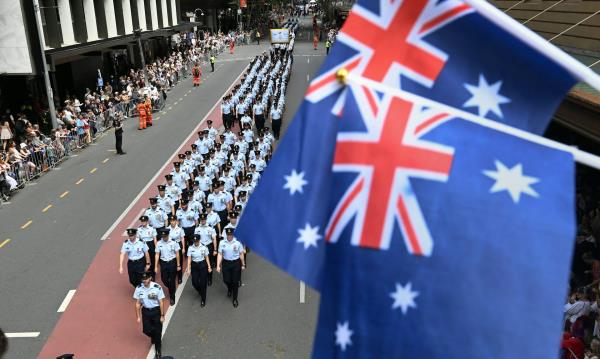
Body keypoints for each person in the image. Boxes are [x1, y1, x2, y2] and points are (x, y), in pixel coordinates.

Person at [133, 272, 165, 359]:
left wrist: (162, 315)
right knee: (146, 330)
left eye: (146, 279)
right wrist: (138, 316)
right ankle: (154, 336)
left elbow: (161, 302)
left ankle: (158, 350)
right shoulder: (139, 288)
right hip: (146, 311)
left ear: (150, 278)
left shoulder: (157, 287)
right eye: (143, 280)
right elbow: (137, 303)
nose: (145, 281)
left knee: (158, 332)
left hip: (156, 311)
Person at [217, 227, 245, 307]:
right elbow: (220, 254)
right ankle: (230, 288)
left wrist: (243, 264)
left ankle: (235, 299)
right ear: (226, 234)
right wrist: (218, 265)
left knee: (235, 282)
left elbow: (241, 254)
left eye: (231, 234)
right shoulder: (222, 243)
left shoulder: (237, 243)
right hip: (226, 263)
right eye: (228, 234)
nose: (229, 236)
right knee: (226, 280)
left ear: (233, 234)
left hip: (236, 263)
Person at [155, 229, 180, 305]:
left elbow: (177, 254)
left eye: (165, 236)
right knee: (164, 279)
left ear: (168, 235)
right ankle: (171, 287)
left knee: (172, 280)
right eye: (163, 236)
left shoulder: (173, 242)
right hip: (163, 263)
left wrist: (178, 265)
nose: (164, 238)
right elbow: (157, 254)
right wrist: (156, 266)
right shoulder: (159, 243)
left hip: (172, 262)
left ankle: (172, 297)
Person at [187, 234, 211, 307]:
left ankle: (203, 299)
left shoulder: (204, 247)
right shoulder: (190, 248)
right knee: (194, 282)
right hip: (194, 265)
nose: (196, 242)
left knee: (203, 283)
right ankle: (201, 291)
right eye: (194, 241)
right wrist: (188, 268)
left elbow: (206, 257)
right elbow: (189, 258)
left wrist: (209, 267)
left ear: (199, 240)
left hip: (203, 265)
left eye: (197, 241)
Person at [195, 213, 218, 286]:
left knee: (210, 263)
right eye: (201, 220)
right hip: (201, 247)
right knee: (202, 262)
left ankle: (209, 278)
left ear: (206, 219)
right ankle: (203, 276)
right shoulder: (197, 229)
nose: (203, 221)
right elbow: (195, 240)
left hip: (209, 246)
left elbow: (214, 239)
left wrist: (215, 249)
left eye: (204, 220)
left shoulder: (211, 228)